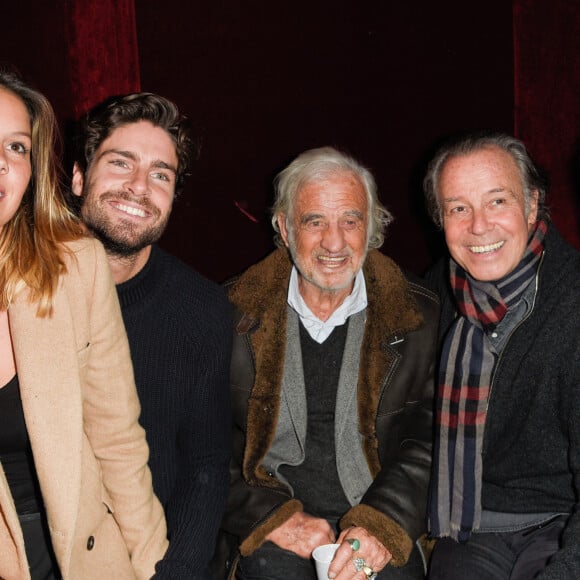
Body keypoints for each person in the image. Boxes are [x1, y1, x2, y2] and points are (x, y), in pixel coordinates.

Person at [212, 146, 440, 579]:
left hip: (382, 516)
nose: (334, 243)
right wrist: (271, 518)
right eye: (314, 221)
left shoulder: (420, 317)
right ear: (284, 226)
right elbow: (204, 446)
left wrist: (381, 524)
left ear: (370, 226)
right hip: (276, 518)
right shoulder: (227, 315)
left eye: (350, 221)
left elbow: (430, 441)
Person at [0, 72, 168, 579]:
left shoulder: (75, 267)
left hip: (81, 553)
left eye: (16, 146)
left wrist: (153, 568)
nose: (2, 162)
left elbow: (118, 441)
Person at [70, 93, 232, 579]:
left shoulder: (202, 309)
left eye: (160, 174)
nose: (139, 188)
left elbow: (206, 465)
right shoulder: (26, 289)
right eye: (121, 164)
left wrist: (176, 570)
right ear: (79, 177)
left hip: (153, 556)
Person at [423, 131, 580, 579]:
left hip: (563, 519)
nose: (478, 226)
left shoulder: (572, 303)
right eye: (458, 208)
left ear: (532, 205)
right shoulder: (434, 295)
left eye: (497, 201)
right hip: (473, 525)